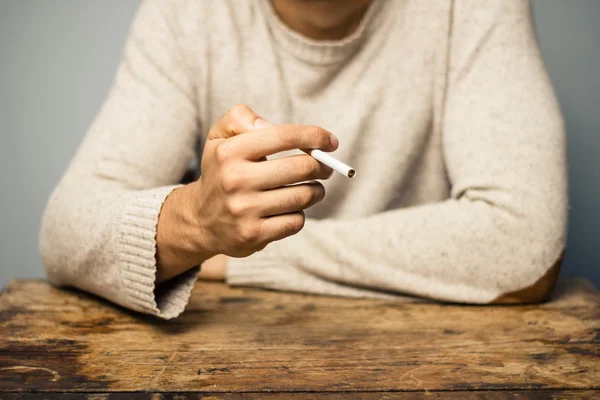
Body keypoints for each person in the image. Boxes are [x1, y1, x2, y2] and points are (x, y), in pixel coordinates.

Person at [40, 0, 567, 319]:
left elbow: (524, 245)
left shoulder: (472, 10)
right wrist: (197, 222)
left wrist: (236, 255)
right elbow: (65, 232)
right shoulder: (187, 16)